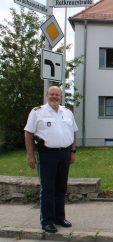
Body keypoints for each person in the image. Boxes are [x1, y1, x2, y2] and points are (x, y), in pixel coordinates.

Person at [24, 86, 78, 233]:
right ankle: (47, 221)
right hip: (47, 154)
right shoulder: (37, 112)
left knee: (61, 188)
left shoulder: (67, 112)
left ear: (61, 97)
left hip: (64, 153)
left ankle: (60, 217)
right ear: (47, 95)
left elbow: (73, 132)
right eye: (52, 94)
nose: (54, 97)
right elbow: (28, 133)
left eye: (57, 95)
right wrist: (30, 155)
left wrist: (72, 152)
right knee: (47, 188)